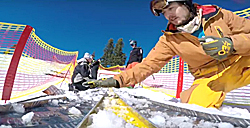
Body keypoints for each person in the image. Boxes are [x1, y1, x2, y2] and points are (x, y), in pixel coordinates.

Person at [83, 0, 250, 109]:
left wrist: (232, 44)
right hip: (210, 79)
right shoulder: (169, 39)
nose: (169, 15)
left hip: (242, 64)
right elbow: (148, 65)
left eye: (171, 8)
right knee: (197, 105)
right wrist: (117, 80)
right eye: (164, 12)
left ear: (186, 3)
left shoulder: (218, 15)